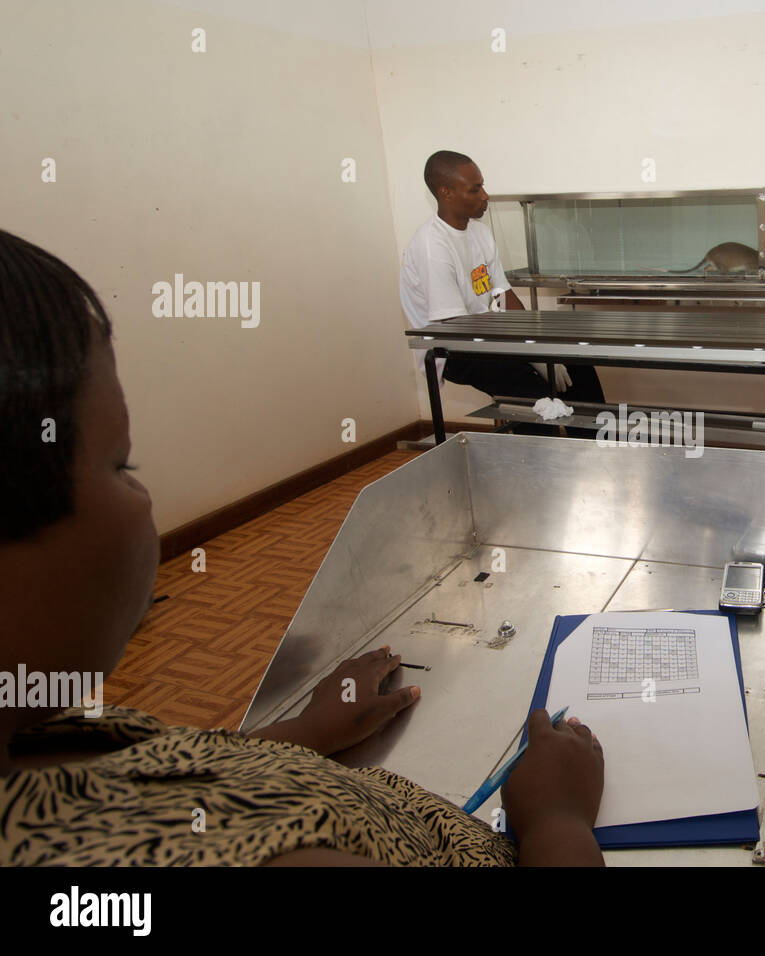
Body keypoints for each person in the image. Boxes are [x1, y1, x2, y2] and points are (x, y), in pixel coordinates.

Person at [0, 229, 605, 865]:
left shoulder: (43, 736)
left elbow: (193, 782)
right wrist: (557, 824)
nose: (145, 497)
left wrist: (295, 737)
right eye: (122, 464)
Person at [399, 149, 606, 406]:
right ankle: (531, 442)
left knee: (578, 364)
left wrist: (537, 345)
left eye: (482, 186)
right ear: (446, 193)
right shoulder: (432, 247)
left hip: (488, 337)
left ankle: (589, 444)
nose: (485, 196)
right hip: (451, 349)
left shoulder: (480, 233)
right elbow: (457, 326)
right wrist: (530, 355)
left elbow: (504, 297)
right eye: (475, 190)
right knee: (533, 393)